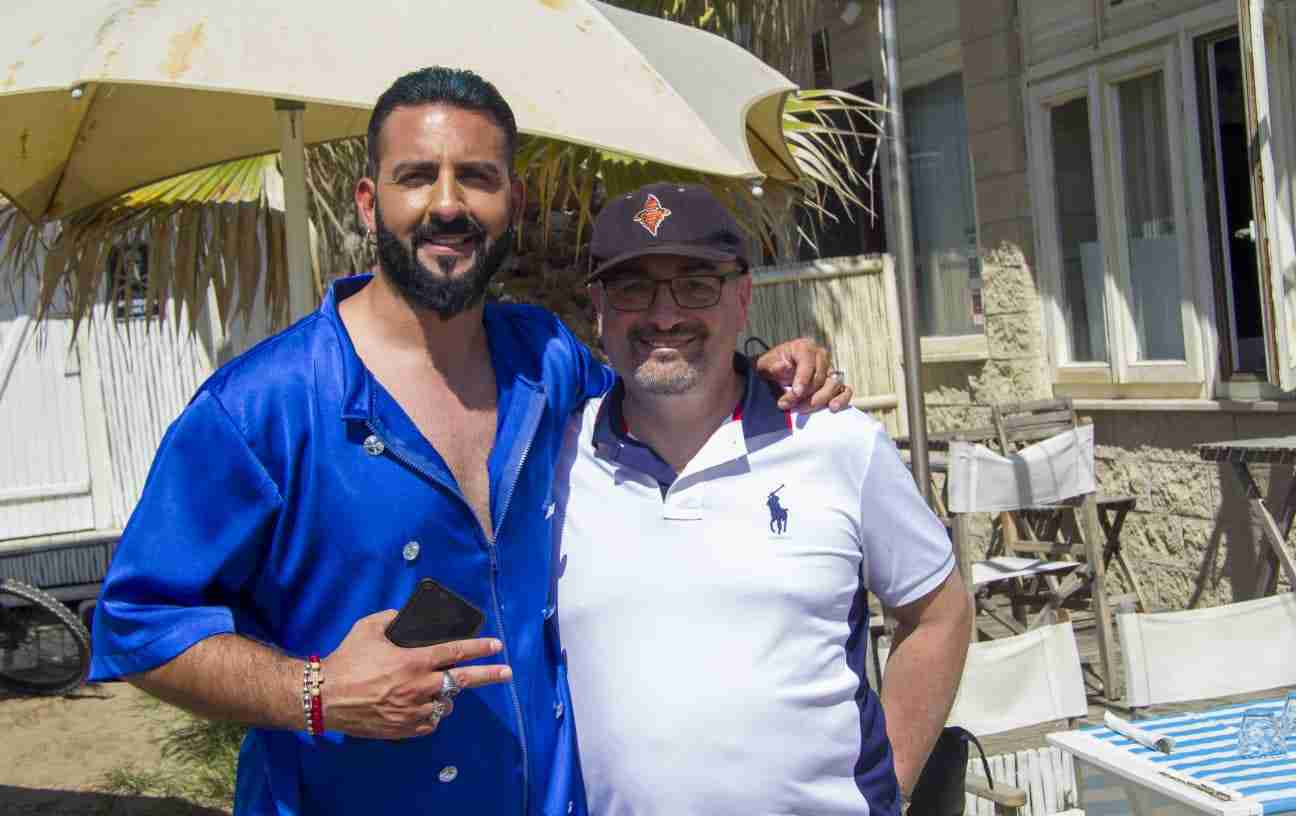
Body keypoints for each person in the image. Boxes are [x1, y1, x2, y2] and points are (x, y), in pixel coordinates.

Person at [87, 68, 848, 816]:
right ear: (369, 202)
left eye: (477, 177)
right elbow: (138, 624)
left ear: (513, 202)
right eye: (417, 176)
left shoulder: (545, 360)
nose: (447, 204)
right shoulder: (261, 408)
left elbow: (661, 408)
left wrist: (760, 372)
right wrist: (315, 693)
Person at [552, 182, 974, 816]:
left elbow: (940, 614)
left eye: (696, 285)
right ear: (598, 308)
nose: (664, 315)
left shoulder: (837, 442)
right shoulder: (555, 460)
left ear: (743, 297)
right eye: (633, 288)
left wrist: (890, 791)